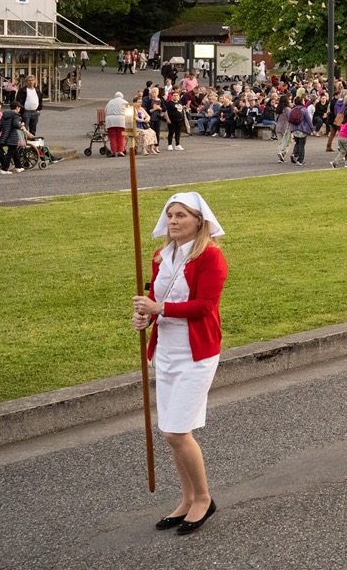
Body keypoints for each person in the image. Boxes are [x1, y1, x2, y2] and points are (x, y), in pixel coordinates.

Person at [130, 193, 228, 535]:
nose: (173, 221)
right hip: (166, 351)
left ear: (198, 221)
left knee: (176, 430)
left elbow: (204, 306)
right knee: (172, 432)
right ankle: (187, 499)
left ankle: (203, 498)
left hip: (196, 353)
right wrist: (145, 316)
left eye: (181, 215)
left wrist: (160, 311)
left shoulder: (211, 257)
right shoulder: (162, 255)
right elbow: (158, 299)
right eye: (170, 215)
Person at [104, 90, 128, 157]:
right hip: (121, 121)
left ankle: (114, 151)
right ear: (122, 96)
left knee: (112, 136)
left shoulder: (110, 102)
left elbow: (105, 110)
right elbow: (128, 112)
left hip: (110, 121)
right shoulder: (125, 102)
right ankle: (120, 151)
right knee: (121, 136)